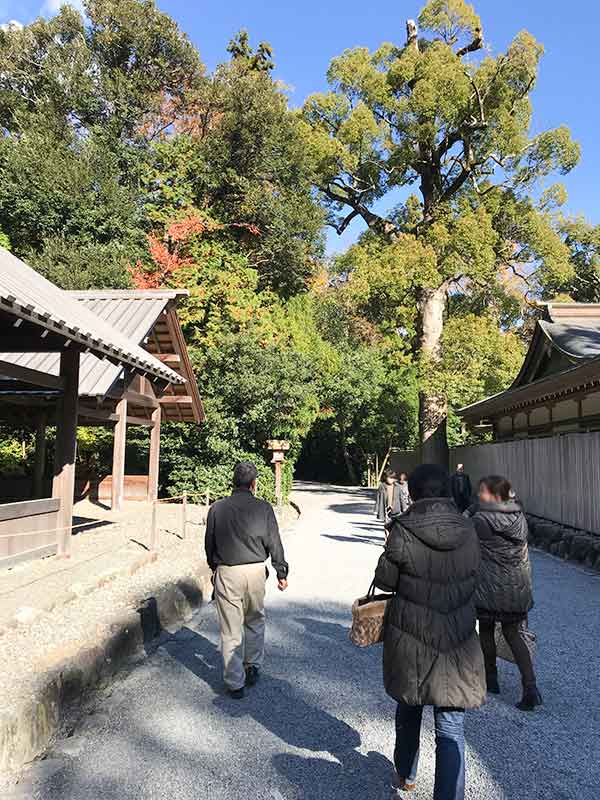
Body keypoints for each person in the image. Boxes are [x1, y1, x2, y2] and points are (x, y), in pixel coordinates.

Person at [374, 464, 486, 800]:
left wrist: (387, 545)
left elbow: (384, 580)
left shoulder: (403, 530)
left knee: (409, 708)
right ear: (447, 492)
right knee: (451, 728)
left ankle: (407, 775)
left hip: (412, 636)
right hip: (458, 639)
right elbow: (476, 576)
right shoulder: (468, 530)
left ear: (415, 493)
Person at [204, 461, 289, 699]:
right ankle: (252, 666)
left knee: (230, 629)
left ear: (233, 481)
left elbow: (209, 543)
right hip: (254, 571)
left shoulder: (217, 508)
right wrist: (281, 572)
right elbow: (274, 541)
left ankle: (234, 683)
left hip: (228, 571)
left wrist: (214, 568)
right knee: (255, 619)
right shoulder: (263, 508)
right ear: (253, 483)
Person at [466, 475, 542, 711]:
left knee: (486, 629)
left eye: (483, 492)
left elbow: (464, 533)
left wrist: (469, 511)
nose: (479, 495)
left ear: (494, 495)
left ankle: (491, 678)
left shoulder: (482, 520)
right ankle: (530, 687)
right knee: (514, 633)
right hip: (517, 587)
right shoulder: (518, 517)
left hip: (489, 586)